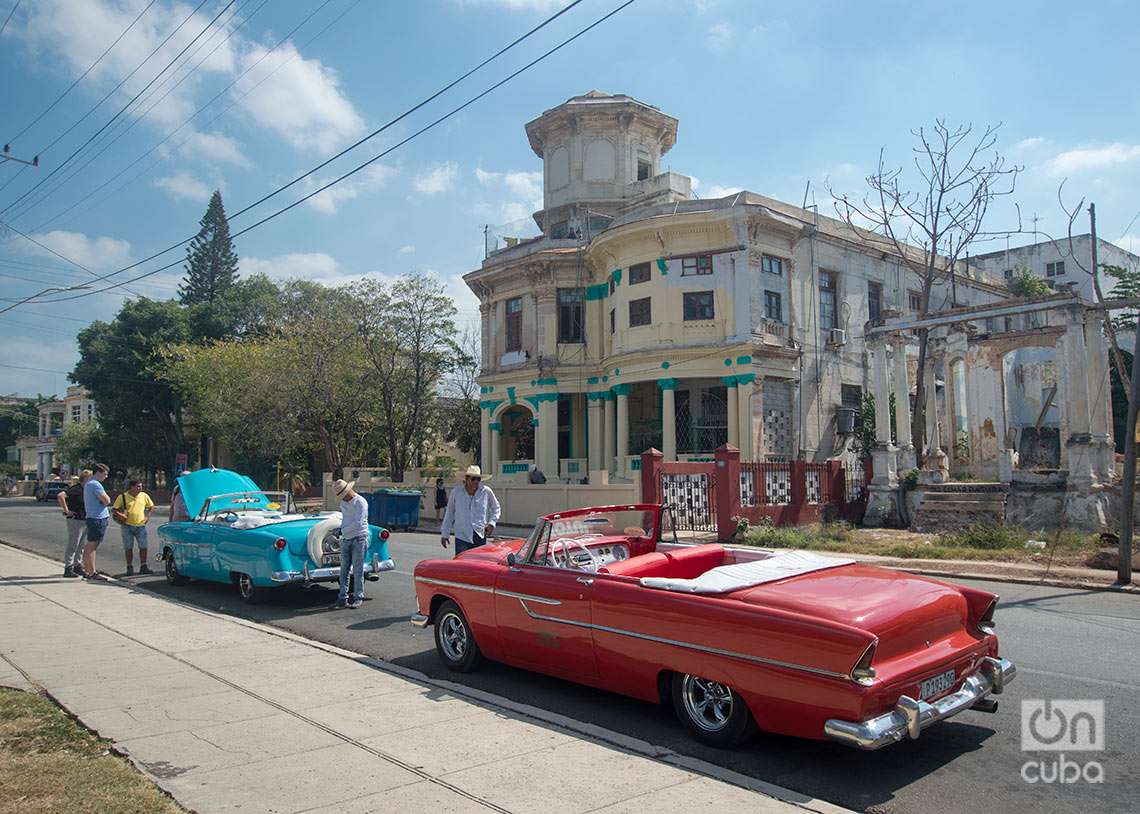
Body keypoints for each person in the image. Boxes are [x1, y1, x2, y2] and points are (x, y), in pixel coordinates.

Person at [440, 465, 500, 556]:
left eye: (478, 479)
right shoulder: (456, 492)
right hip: (462, 536)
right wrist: (445, 533)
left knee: (479, 566)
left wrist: (492, 523)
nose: (476, 482)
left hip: (479, 535)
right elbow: (450, 513)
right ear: (466, 479)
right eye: (473, 479)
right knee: (462, 566)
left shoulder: (486, 492)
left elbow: (496, 508)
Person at [329, 478, 369, 610]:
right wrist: (341, 530)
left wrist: (342, 531)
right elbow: (346, 520)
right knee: (344, 569)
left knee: (358, 569)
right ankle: (342, 597)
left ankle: (358, 597)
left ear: (348, 492)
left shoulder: (360, 502)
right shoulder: (344, 503)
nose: (342, 498)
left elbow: (358, 524)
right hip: (346, 538)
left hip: (359, 538)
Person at [112, 480, 154, 575]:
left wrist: (147, 516)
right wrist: (120, 515)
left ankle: (143, 566)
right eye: (138, 486)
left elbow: (151, 506)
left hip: (140, 525)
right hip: (127, 525)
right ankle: (129, 566)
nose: (140, 488)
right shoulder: (123, 497)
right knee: (128, 547)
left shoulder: (144, 496)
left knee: (143, 546)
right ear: (131, 487)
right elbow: (114, 509)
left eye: (141, 486)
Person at [82, 463, 112, 580]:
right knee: (92, 546)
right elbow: (107, 500)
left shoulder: (89, 483)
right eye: (105, 474)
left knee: (90, 545)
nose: (106, 476)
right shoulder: (95, 485)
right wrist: (104, 501)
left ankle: (88, 570)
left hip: (92, 517)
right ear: (98, 473)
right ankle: (92, 572)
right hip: (97, 518)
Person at [58, 470, 91, 578]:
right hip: (75, 519)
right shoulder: (75, 489)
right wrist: (66, 510)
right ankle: (68, 567)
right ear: (85, 479)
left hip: (85, 519)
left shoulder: (87, 490)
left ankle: (77, 565)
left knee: (81, 544)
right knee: (73, 543)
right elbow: (61, 495)